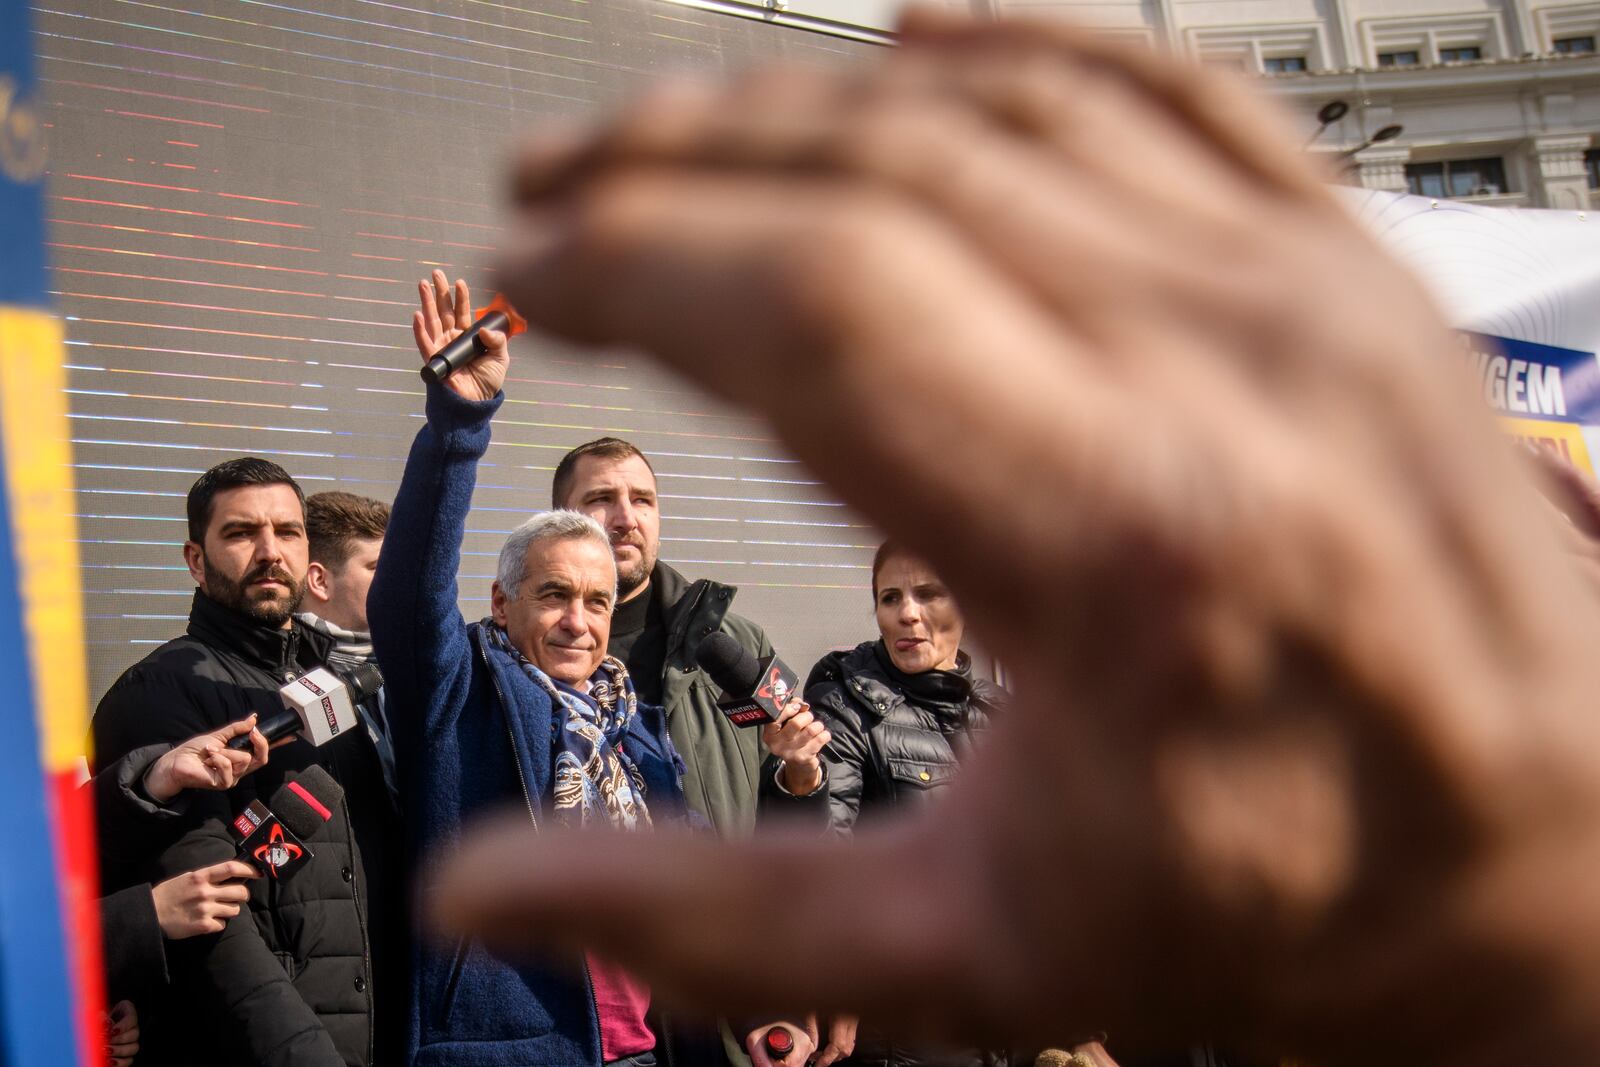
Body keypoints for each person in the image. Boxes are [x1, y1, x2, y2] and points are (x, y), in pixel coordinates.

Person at [430, 10, 1600, 1067]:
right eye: (569, 560)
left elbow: (782, 811)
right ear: (519, 583)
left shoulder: (723, 642)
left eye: (635, 506)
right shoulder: (490, 677)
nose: (595, 579)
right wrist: (457, 425)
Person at [369, 273, 686, 1066]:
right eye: (553, 595)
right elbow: (408, 590)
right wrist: (458, 421)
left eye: (596, 601)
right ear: (501, 603)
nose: (579, 621)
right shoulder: (460, 689)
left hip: (642, 1050)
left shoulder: (634, 727)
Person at [91, 457, 399, 1067]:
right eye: (240, 533)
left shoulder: (333, 678)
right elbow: (211, 924)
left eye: (286, 532)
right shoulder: (161, 692)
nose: (268, 551)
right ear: (195, 560)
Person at [553, 435, 773, 839]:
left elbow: (789, 815)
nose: (626, 519)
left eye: (642, 500)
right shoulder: (525, 654)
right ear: (562, 520)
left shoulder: (740, 643)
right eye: (602, 498)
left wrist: (805, 777)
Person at [299, 488, 406, 1062]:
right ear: (319, 580)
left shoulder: (411, 674)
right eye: (376, 567)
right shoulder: (277, 690)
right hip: (331, 987)